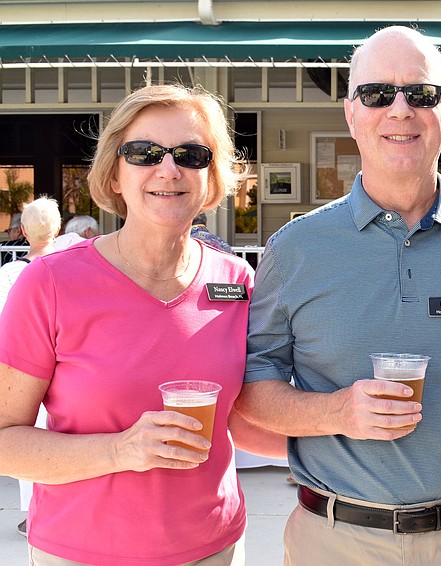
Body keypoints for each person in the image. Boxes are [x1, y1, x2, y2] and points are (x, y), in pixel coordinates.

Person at [235, 26, 441, 566]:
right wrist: (338, 411)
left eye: (421, 94)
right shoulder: (296, 248)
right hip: (334, 542)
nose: (400, 109)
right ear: (351, 114)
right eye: (377, 94)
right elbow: (251, 389)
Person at [0, 83, 283, 565]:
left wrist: (351, 431)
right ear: (114, 174)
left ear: (212, 177)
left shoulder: (236, 281)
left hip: (214, 548)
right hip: (81, 553)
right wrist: (120, 450)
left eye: (191, 155)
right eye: (144, 152)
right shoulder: (49, 283)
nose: (168, 169)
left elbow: (243, 419)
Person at [0, 197, 62, 538]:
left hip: (21, 366)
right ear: (58, 229)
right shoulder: (70, 268)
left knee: (25, 435)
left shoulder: (10, 273)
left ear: (23, 230)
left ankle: (34, 512)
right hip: (63, 366)